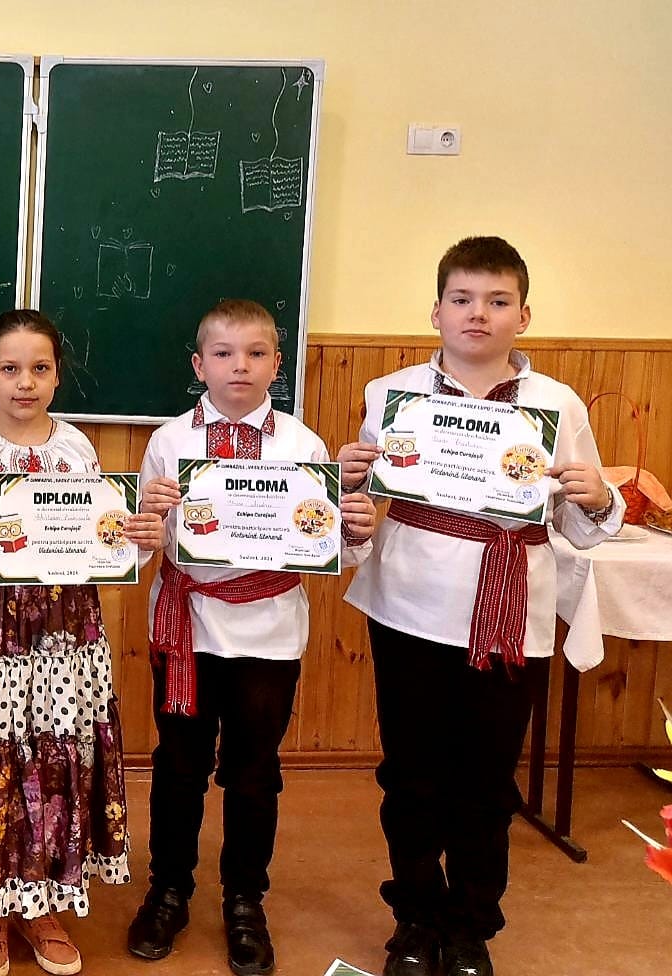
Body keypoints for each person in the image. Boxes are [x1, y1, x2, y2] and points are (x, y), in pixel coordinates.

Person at [340, 236, 623, 976]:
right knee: (411, 775)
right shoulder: (392, 395)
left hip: (511, 616)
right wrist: (352, 490)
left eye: (498, 301)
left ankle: (469, 925)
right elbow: (364, 509)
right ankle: (414, 918)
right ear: (435, 311)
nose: (478, 314)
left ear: (523, 316)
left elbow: (579, 524)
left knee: (487, 779)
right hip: (409, 608)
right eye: (462, 299)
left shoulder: (557, 403)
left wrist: (599, 498)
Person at [127, 299, 376, 975]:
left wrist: (353, 531)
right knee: (179, 766)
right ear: (198, 365)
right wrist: (148, 519)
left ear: (276, 364)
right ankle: (168, 890)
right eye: (224, 353)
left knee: (254, 771)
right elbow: (146, 545)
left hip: (268, 633)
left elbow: (325, 544)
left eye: (256, 353)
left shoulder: (304, 447)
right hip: (187, 628)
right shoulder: (169, 442)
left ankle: (244, 901)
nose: (240, 365)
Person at [0, 309, 137, 976]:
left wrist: (125, 539)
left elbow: (102, 542)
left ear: (57, 376)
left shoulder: (78, 448)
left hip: (66, 627)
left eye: (39, 368)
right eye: (10, 368)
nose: (25, 382)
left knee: (55, 754)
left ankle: (41, 902)